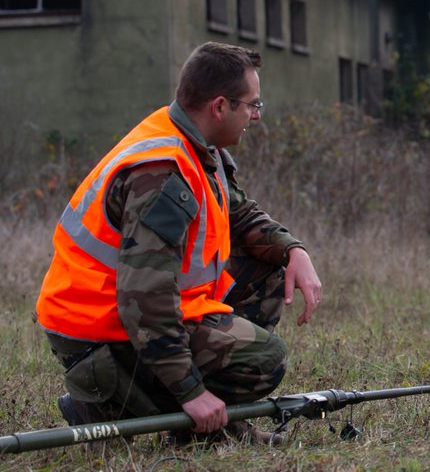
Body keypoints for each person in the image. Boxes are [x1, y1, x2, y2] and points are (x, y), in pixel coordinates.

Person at [35, 42, 323, 444]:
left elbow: (239, 214)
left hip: (129, 314)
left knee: (268, 267)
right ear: (220, 107)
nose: (256, 116)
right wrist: (191, 392)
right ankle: (117, 404)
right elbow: (145, 295)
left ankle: (206, 418)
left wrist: (294, 250)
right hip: (100, 330)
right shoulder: (162, 174)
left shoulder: (196, 144)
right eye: (252, 106)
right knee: (265, 359)